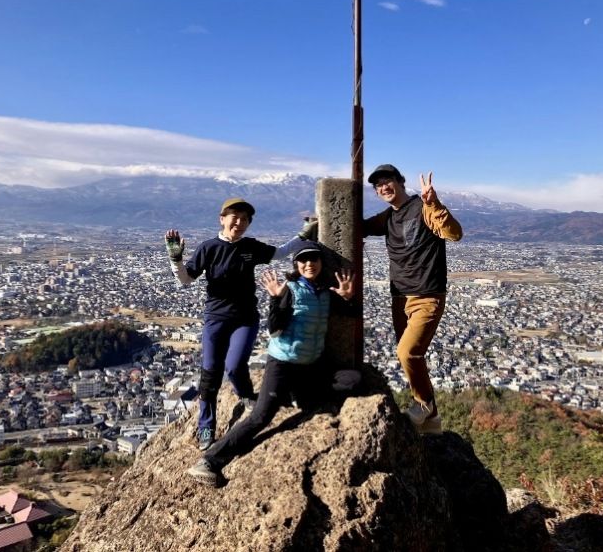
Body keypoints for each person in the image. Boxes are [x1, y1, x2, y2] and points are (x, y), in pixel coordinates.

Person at [186, 241, 355, 486]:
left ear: (321, 263)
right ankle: (210, 461)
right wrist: (276, 299)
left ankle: (295, 395)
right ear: (296, 265)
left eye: (314, 259)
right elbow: (274, 329)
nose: (309, 264)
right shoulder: (290, 289)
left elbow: (347, 315)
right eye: (303, 260)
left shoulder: (325, 294)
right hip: (283, 364)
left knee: (352, 380)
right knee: (261, 416)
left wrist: (347, 298)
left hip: (310, 366)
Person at [165, 198, 316, 451]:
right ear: (222, 219)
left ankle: (246, 395)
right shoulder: (209, 248)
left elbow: (279, 253)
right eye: (234, 217)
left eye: (245, 219)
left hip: (245, 317)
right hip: (216, 318)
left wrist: (303, 235)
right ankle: (206, 425)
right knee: (210, 372)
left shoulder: (250, 246)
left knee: (235, 366)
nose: (239, 222)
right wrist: (176, 260)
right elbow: (185, 280)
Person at [363, 164, 463, 434]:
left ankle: (424, 404)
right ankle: (432, 422)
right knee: (413, 357)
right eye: (378, 185)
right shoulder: (388, 217)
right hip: (399, 297)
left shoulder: (423, 208)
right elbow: (359, 227)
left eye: (387, 181)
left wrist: (434, 204)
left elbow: (454, 233)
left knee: (407, 352)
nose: (383, 187)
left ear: (400, 182)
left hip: (426, 295)